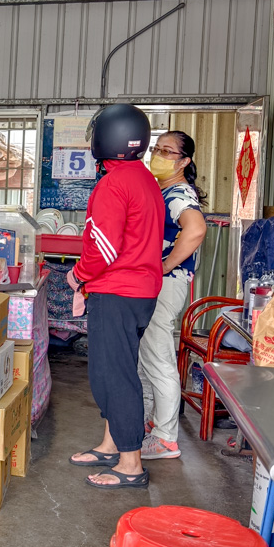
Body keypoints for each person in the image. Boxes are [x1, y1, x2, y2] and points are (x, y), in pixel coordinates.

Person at [67, 104, 164, 489]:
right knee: (108, 370)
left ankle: (130, 465)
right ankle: (111, 445)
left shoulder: (114, 183)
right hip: (139, 291)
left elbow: (103, 248)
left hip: (117, 290)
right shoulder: (143, 178)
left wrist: (78, 274)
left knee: (117, 375)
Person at [138, 131, 208, 460]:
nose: (159, 155)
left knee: (158, 357)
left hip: (167, 282)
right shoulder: (163, 189)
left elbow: (195, 229)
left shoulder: (178, 194)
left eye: (167, 151)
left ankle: (166, 437)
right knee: (149, 357)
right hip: (160, 281)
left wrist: (165, 265)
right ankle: (155, 425)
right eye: (157, 148)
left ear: (183, 161)